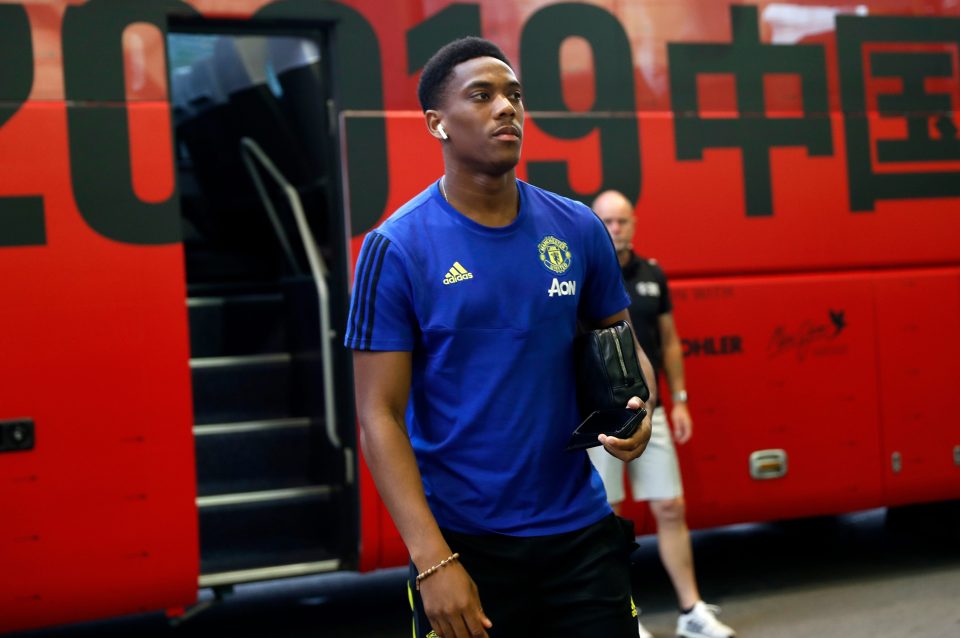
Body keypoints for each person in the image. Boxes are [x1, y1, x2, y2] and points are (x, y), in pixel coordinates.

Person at [344, 38, 656, 638]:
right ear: (436, 123)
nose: (507, 108)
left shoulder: (578, 228)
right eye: (482, 96)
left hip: (582, 539)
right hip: (465, 547)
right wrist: (434, 561)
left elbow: (622, 345)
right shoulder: (396, 248)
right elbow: (378, 416)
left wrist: (640, 409)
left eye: (514, 95)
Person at [587, 190, 736, 638]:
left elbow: (669, 341)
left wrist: (681, 398)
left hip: (650, 410)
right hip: (602, 416)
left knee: (671, 506)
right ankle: (624, 618)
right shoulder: (584, 272)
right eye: (607, 222)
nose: (616, 229)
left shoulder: (652, 274)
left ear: (634, 223)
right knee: (606, 518)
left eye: (622, 221)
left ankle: (691, 611)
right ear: (595, 224)